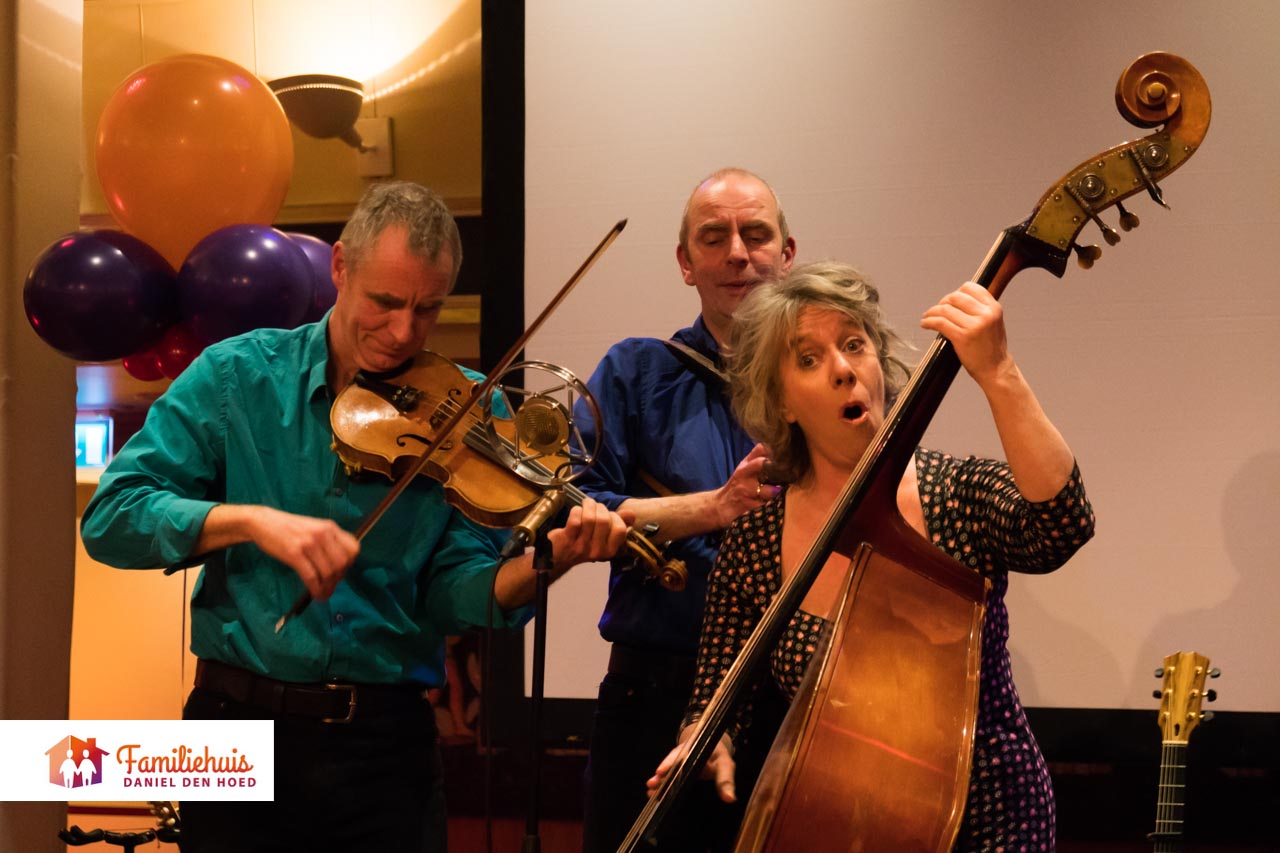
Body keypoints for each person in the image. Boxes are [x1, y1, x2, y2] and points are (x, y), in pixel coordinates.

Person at [80, 180, 629, 853]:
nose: (403, 333)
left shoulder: (468, 410)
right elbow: (113, 517)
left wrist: (548, 564)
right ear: (340, 266)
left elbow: (457, 594)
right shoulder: (235, 378)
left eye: (428, 309)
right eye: (385, 302)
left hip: (384, 743)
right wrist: (249, 521)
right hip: (235, 727)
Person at [648, 261, 1096, 850]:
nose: (843, 370)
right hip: (846, 830)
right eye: (809, 359)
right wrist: (704, 742)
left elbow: (1062, 526)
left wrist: (998, 371)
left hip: (990, 819)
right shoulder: (755, 543)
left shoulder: (955, 494)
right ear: (781, 402)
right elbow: (717, 691)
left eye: (854, 345)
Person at [573, 167, 796, 852]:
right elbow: (571, 505)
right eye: (714, 237)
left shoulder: (829, 376)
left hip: (790, 698)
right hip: (653, 689)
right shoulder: (635, 372)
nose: (738, 253)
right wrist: (713, 508)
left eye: (756, 233)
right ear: (685, 262)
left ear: (787, 253)